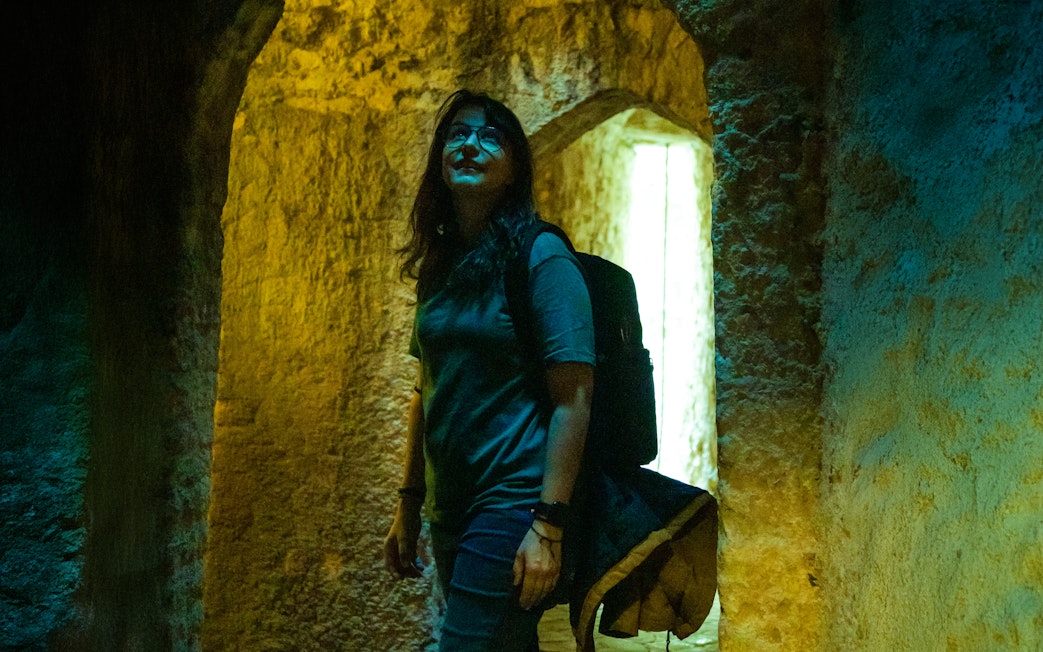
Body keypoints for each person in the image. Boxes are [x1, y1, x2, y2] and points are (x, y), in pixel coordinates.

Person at [383, 90, 596, 651]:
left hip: (513, 502)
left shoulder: (542, 256)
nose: (470, 145)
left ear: (514, 169)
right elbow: (425, 390)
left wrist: (548, 525)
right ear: (440, 158)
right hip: (449, 506)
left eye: (490, 136)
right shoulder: (441, 264)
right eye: (457, 133)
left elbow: (574, 398)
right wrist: (408, 501)